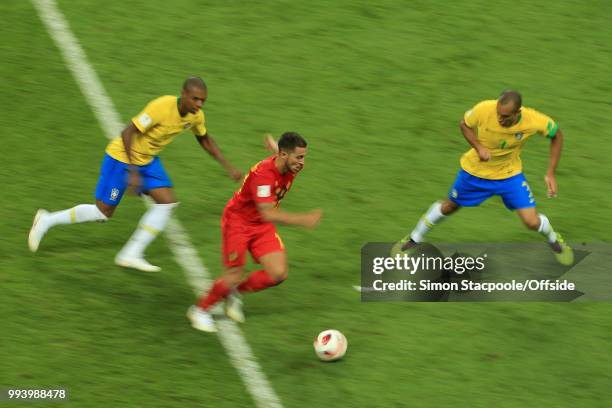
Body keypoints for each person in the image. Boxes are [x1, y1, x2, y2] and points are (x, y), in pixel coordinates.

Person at [28, 77, 242, 272]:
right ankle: (47, 220)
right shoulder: (161, 107)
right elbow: (127, 132)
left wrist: (227, 166)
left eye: (203, 100)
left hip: (147, 161)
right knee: (103, 213)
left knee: (167, 202)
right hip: (121, 158)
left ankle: (131, 253)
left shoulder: (196, 116)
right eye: (195, 99)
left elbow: (204, 138)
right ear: (184, 94)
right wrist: (132, 171)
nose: (199, 105)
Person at [396, 90, 573, 265]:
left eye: (505, 116)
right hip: (474, 173)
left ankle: (554, 241)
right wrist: (479, 147)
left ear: (517, 113)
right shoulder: (483, 109)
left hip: (509, 176)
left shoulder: (533, 120)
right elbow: (464, 125)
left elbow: (556, 135)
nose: (499, 119)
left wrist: (550, 172)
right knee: (449, 207)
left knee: (531, 221)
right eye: (498, 113)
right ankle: (413, 238)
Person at [187, 132, 322, 332]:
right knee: (233, 274)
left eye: (304, 156)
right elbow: (268, 213)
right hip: (238, 223)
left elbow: (284, 156)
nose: (302, 162)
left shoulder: (289, 163)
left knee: (278, 273)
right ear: (285, 156)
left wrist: (276, 146)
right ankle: (200, 310)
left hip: (260, 226)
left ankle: (235, 293)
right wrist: (302, 219)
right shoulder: (263, 175)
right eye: (299, 157)